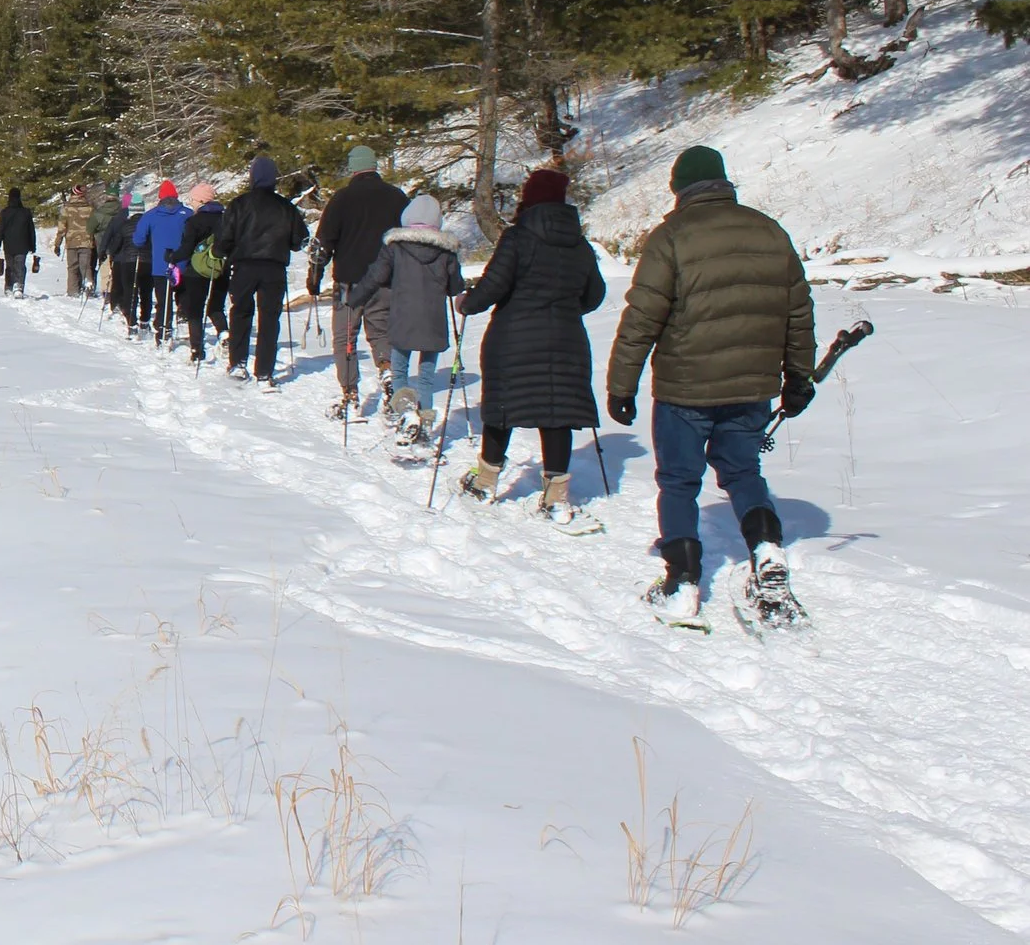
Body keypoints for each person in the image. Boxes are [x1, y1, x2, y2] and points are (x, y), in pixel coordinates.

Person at [605, 145, 815, 625]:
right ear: (723, 182)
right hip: (752, 384)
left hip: (685, 388)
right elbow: (798, 312)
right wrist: (797, 376)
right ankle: (766, 549)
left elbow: (642, 318)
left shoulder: (670, 237)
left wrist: (622, 385)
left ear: (679, 189)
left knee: (679, 481)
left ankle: (681, 583)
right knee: (742, 473)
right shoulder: (769, 231)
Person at [457, 168, 607, 521]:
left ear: (529, 197)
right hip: (567, 341)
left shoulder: (518, 238)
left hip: (514, 339)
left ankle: (485, 481)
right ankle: (556, 497)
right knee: (557, 414)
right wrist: (568, 310)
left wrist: (467, 302)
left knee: (502, 409)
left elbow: (493, 286)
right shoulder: (580, 244)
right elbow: (595, 294)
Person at [343, 194, 463, 444]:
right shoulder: (446, 252)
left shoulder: (395, 248)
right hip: (433, 322)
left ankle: (406, 417)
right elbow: (454, 288)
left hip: (402, 319)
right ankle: (425, 426)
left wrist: (354, 298)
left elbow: (376, 277)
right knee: (427, 376)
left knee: (400, 370)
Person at [308, 145, 410, 422]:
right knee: (381, 333)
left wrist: (314, 275)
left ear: (353, 168)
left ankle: (350, 392)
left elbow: (323, 243)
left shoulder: (342, 199)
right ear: (374, 165)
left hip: (350, 281)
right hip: (386, 279)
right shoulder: (397, 197)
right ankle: (388, 369)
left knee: (346, 336)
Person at [219, 156, 309, 386]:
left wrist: (223, 252)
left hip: (244, 266)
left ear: (253, 177)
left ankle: (238, 363)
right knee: (270, 318)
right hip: (274, 267)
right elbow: (299, 240)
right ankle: (264, 371)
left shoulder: (239, 204)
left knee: (241, 312)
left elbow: (224, 238)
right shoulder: (286, 207)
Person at [130, 179, 197, 347]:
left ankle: (163, 330)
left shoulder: (151, 215)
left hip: (161, 266)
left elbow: (138, 240)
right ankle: (183, 320)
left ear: (160, 197)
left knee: (163, 300)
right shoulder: (188, 214)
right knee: (182, 295)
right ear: (176, 195)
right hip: (183, 264)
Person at [172, 181, 228, 363]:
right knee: (216, 307)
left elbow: (186, 248)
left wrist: (172, 257)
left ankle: (197, 350)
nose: (191, 203)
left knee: (195, 310)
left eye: (193, 200)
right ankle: (224, 334)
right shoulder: (226, 220)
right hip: (220, 269)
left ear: (201, 200)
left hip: (196, 272)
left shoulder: (194, 221)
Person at [99, 186, 141, 326]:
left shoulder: (117, 218)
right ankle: (126, 305)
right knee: (129, 284)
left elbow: (108, 235)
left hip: (118, 255)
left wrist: (104, 250)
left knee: (117, 281)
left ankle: (115, 303)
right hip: (134, 256)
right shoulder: (138, 219)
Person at [0, 187, 37, 296]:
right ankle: (18, 286)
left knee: (10, 266)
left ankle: (8, 287)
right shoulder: (26, 212)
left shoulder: (4, 212)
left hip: (8, 246)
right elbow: (31, 230)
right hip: (23, 245)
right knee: (20, 266)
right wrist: (32, 245)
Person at [55, 185, 98, 297]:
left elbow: (61, 228)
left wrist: (57, 243)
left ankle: (73, 291)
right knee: (86, 266)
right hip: (86, 241)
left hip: (71, 242)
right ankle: (89, 287)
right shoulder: (90, 208)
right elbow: (95, 226)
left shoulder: (66, 208)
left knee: (72, 267)